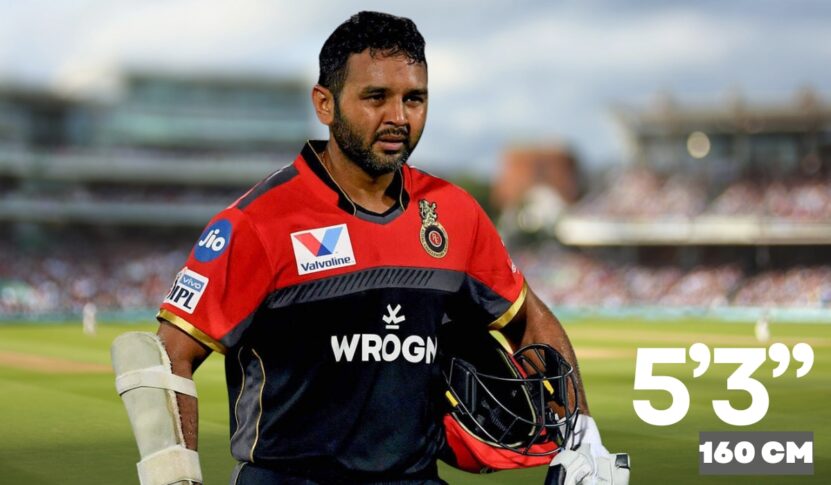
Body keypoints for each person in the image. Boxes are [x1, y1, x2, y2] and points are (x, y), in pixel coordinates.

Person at [115, 11, 628, 485]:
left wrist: (582, 435)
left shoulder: (454, 213)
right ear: (325, 103)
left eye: (414, 99)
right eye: (375, 96)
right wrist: (173, 476)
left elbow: (528, 319)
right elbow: (162, 362)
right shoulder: (257, 223)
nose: (398, 117)